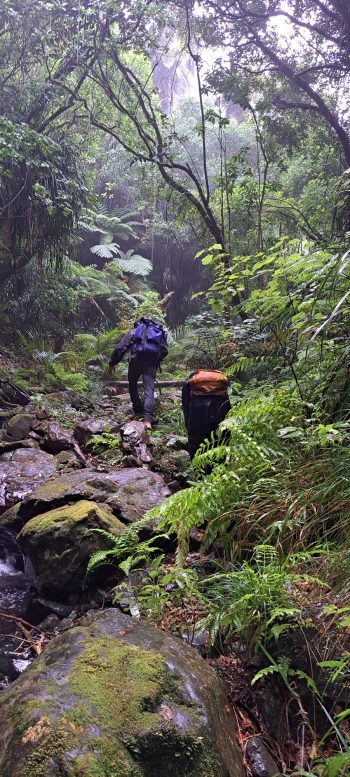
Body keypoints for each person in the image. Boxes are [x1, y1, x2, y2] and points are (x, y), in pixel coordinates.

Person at [107, 317, 168, 430]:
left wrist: (112, 363)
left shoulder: (133, 332)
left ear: (137, 324)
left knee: (132, 386)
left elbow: (120, 348)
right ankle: (148, 420)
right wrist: (156, 360)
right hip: (150, 363)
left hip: (135, 361)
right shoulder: (157, 332)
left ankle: (138, 410)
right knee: (149, 391)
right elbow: (164, 350)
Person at [182, 369, 231, 458]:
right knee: (219, 443)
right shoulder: (222, 386)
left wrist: (188, 429)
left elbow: (186, 412)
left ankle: (198, 464)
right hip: (219, 427)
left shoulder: (188, 385)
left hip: (197, 423)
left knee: (196, 445)